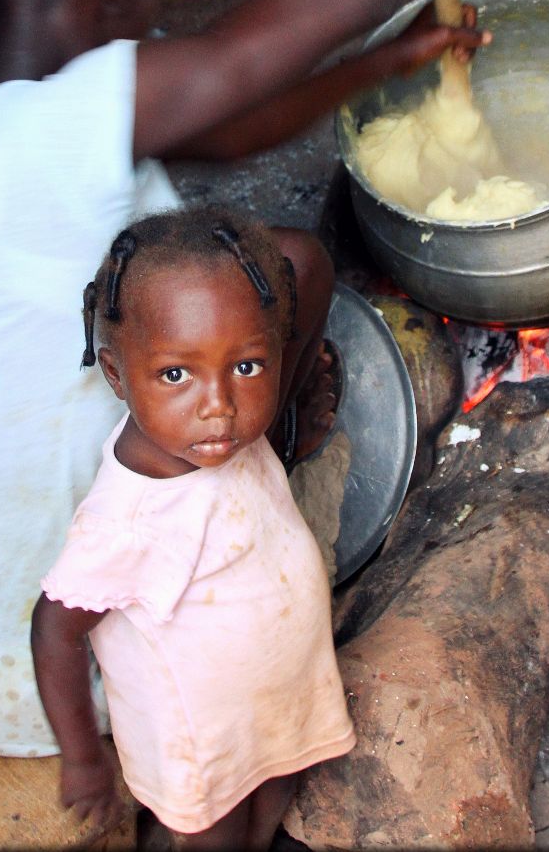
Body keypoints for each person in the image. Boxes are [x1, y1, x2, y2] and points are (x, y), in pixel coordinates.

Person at [0, 0, 488, 759]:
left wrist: (388, 61)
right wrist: (373, 15)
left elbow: (228, 131)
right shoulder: (80, 116)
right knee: (290, 273)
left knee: (288, 259)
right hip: (57, 655)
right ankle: (259, 461)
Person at [35, 207, 352, 848]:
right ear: (118, 376)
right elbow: (54, 633)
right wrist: (83, 758)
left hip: (276, 695)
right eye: (175, 374)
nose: (218, 406)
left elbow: (302, 263)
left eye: (247, 367)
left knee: (277, 795)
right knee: (220, 836)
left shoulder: (225, 436)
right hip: (203, 739)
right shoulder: (128, 519)